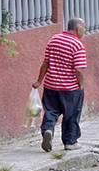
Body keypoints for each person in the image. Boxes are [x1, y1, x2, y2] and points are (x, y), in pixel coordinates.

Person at [33, 17, 87, 153]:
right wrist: (80, 84)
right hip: (70, 88)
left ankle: (48, 130)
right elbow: (79, 69)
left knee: (51, 112)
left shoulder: (54, 40)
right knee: (71, 114)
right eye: (84, 28)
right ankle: (70, 141)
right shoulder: (77, 44)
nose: (85, 31)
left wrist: (39, 81)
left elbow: (46, 63)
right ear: (78, 28)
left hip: (51, 85)